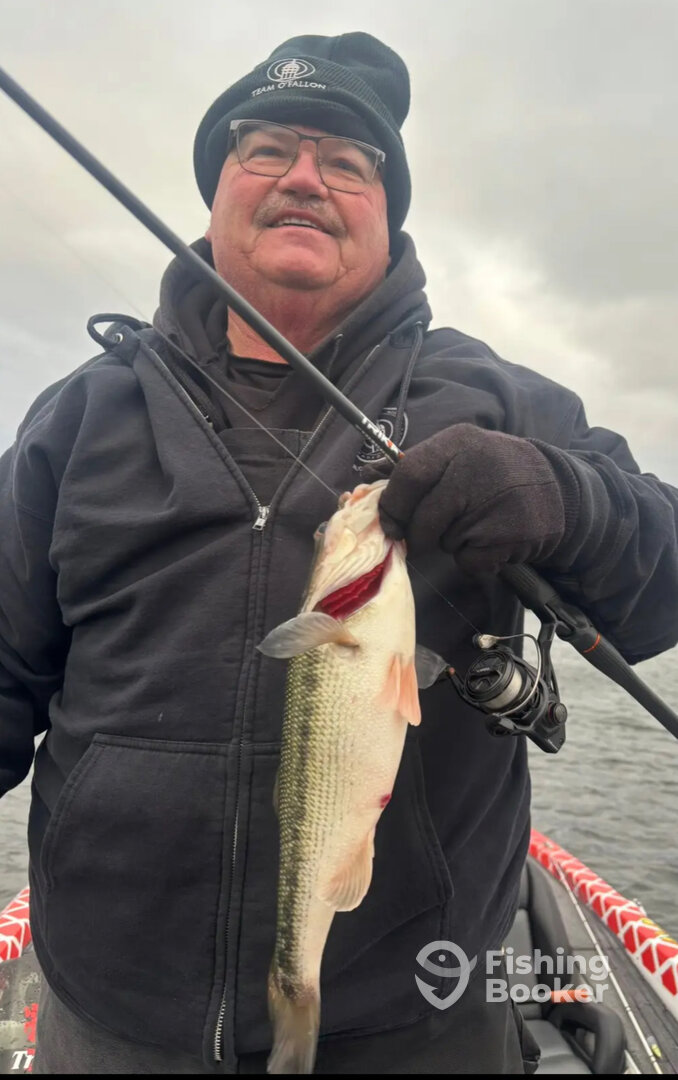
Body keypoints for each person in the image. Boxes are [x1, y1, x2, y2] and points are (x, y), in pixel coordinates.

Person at [1, 30, 677, 1075]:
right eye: (267, 148)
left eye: (348, 162)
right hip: (112, 1014)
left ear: (387, 211)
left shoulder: (494, 398)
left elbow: (661, 586)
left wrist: (568, 499)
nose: (304, 178)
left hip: (422, 1019)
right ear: (216, 191)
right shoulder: (80, 417)